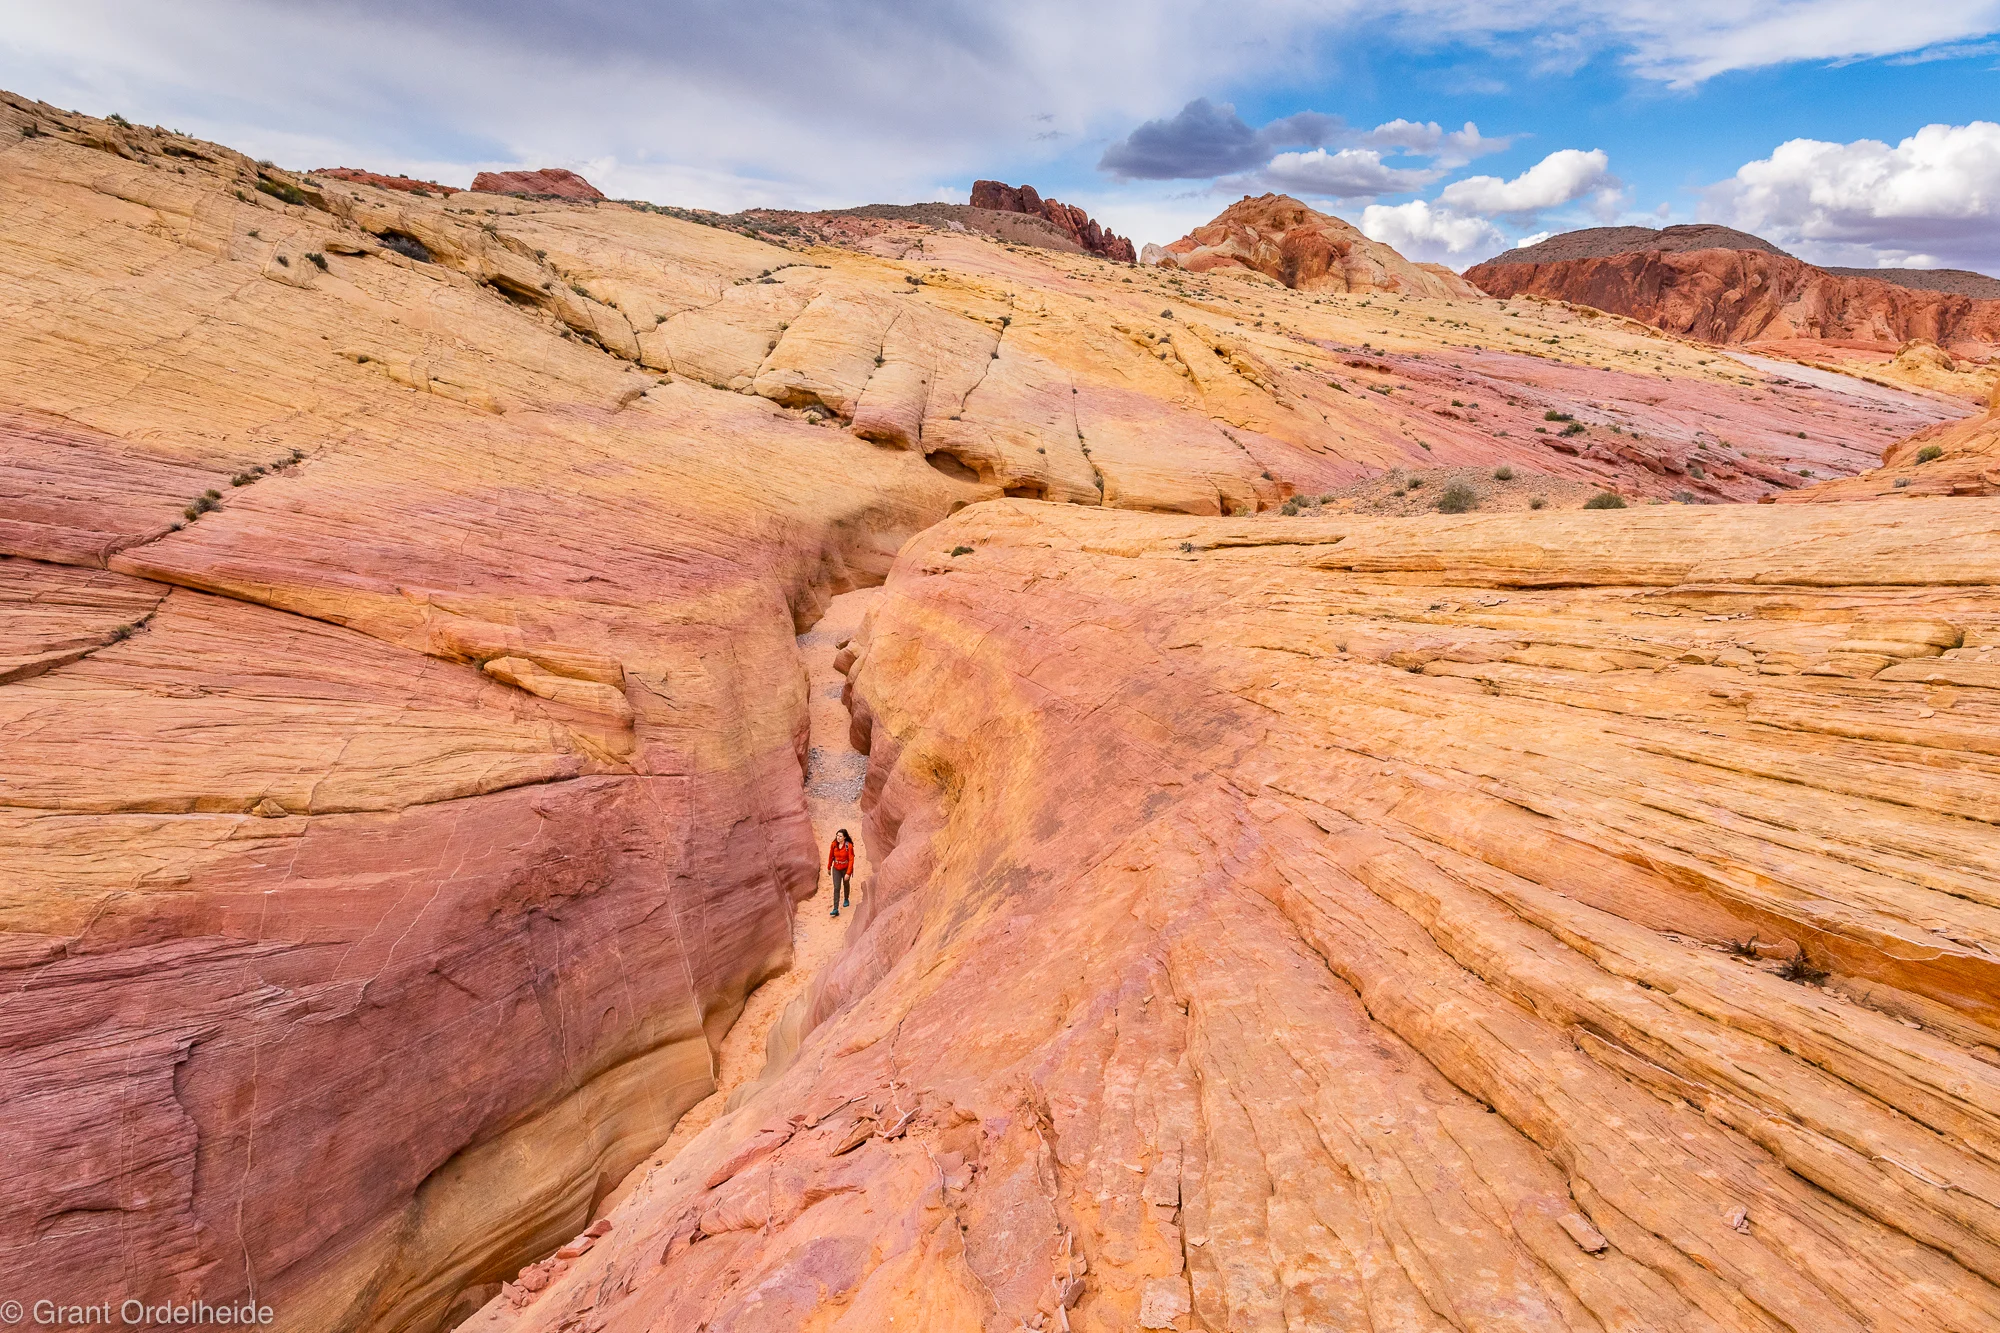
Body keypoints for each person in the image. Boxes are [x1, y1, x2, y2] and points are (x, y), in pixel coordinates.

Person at [827, 830, 855, 917]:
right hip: (836, 868)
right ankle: (835, 909)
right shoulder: (834, 844)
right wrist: (829, 867)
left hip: (845, 868)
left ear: (844, 837)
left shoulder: (849, 846)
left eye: (840, 836)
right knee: (836, 887)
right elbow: (831, 856)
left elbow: (851, 859)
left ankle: (846, 899)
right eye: (837, 836)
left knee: (846, 884)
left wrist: (848, 873)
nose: (838, 838)